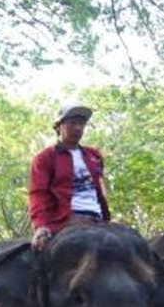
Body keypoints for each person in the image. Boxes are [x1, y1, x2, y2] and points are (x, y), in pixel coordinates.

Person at [28, 103, 111, 252]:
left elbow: (99, 189)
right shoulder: (45, 158)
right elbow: (38, 194)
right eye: (72, 123)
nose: (78, 128)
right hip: (66, 221)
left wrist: (106, 219)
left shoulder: (93, 156)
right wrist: (41, 226)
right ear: (59, 126)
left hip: (98, 220)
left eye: (81, 124)